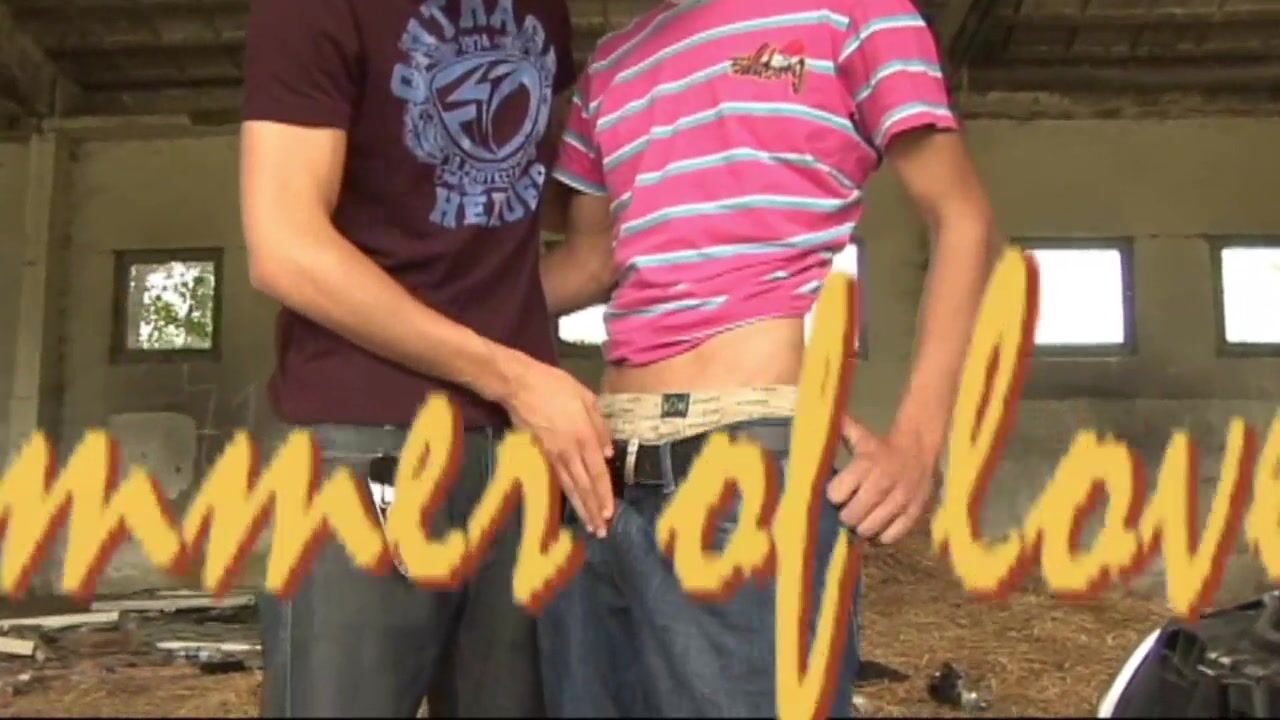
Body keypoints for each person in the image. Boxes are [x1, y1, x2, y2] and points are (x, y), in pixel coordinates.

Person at [537, 0, 1000, 715]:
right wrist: (433, 319)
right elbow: (591, 260)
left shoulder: (856, 14)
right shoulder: (614, 59)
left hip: (742, 462)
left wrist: (917, 441)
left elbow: (963, 218)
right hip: (600, 466)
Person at [237, 0, 618, 715]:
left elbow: (588, 243)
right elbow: (285, 248)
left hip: (519, 443)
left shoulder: (544, 13)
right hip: (368, 438)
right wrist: (512, 373)